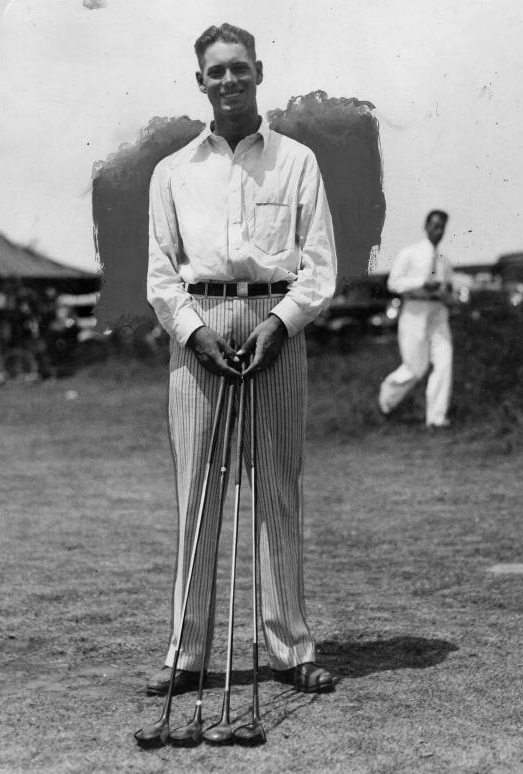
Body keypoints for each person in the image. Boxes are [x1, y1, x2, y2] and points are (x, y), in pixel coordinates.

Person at [145, 23, 337, 695]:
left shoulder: (296, 160)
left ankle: (290, 648)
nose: (228, 80)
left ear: (258, 71)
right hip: (198, 333)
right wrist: (195, 334)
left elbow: (318, 269)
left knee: (278, 491)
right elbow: (161, 277)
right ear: (200, 81)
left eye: (239, 68)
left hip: (275, 327)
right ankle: (186, 653)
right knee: (197, 495)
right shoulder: (173, 171)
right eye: (215, 71)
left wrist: (281, 325)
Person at [378, 210, 454, 428]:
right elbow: (394, 283)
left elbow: (449, 288)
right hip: (414, 312)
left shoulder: (445, 261)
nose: (438, 231)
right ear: (426, 226)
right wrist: (421, 283)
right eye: (434, 226)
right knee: (415, 368)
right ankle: (386, 400)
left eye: (442, 227)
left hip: (438, 314)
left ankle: (437, 419)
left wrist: (448, 295)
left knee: (444, 362)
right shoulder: (409, 253)